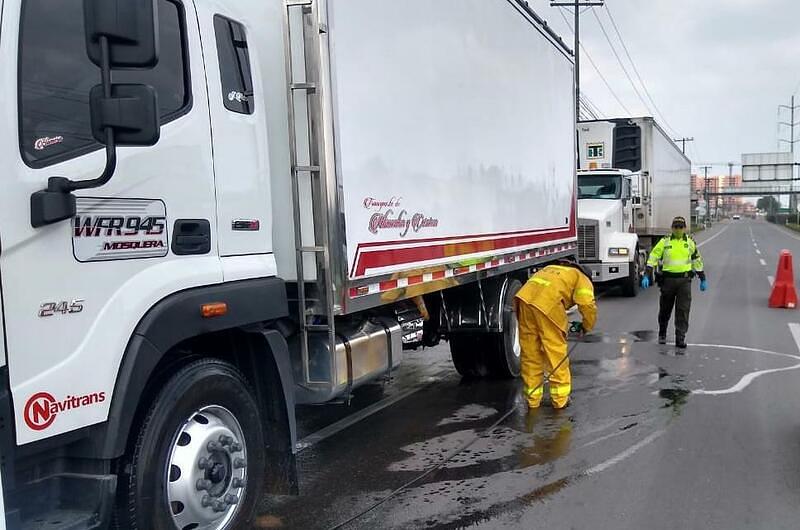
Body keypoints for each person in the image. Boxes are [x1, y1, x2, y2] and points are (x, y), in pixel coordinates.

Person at [515, 259, 597, 410]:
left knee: (530, 354)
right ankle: (560, 400)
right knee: (555, 353)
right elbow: (587, 304)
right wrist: (587, 326)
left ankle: (533, 400)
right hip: (548, 305)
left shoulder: (553, 269)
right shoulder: (582, 278)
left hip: (524, 301)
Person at [640, 216, 707, 349]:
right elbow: (653, 257)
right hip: (668, 281)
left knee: (683, 310)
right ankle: (663, 332)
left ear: (684, 228)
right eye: (676, 227)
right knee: (665, 310)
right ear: (672, 228)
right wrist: (646, 274)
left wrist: (702, 278)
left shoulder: (689, 242)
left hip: (684, 281)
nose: (678, 229)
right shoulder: (664, 242)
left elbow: (697, 260)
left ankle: (680, 338)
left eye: (680, 227)